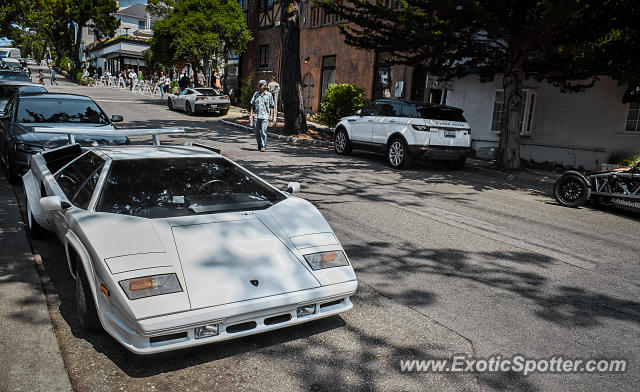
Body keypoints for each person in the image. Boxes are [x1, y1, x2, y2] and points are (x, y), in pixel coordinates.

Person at [249, 80, 275, 152]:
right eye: (259, 85)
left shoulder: (269, 95)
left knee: (263, 131)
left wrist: (271, 116)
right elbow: (252, 105)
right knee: (256, 132)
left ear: (265, 86)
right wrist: (251, 115)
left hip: (265, 116)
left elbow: (272, 106)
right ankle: (259, 144)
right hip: (256, 116)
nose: (260, 86)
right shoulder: (256, 94)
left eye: (261, 85)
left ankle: (263, 146)